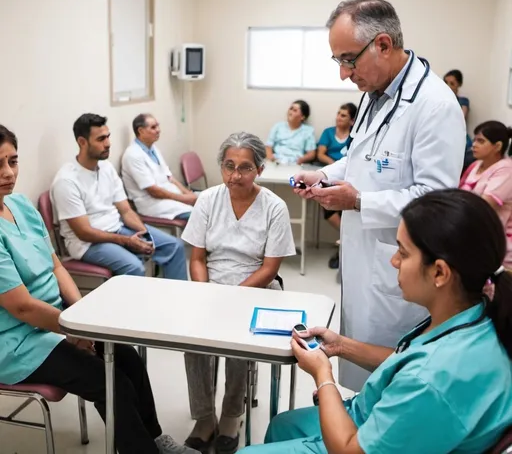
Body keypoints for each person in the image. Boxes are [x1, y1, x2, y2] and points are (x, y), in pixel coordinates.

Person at [241, 189, 512, 454]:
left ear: (440, 272)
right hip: (378, 415)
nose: (393, 261)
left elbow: (350, 450)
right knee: (282, 426)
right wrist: (342, 347)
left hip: (359, 441)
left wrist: (323, 375)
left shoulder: (432, 380)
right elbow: (404, 359)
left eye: (403, 253)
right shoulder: (472, 314)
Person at [293, 0, 466, 391]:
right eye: (337, 61)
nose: (343, 74)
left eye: (348, 60)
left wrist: (357, 201)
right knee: (360, 382)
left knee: (391, 387)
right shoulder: (375, 94)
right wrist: (322, 175)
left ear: (383, 45)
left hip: (396, 273)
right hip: (362, 261)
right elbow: (362, 159)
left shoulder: (434, 105)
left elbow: (435, 201)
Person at [0, 125, 199, 454]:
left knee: (127, 359)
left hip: (58, 322)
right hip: (17, 341)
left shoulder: (20, 206)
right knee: (110, 383)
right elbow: (21, 308)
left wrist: (83, 320)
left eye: (13, 161)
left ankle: (153, 439)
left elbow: (56, 266)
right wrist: (73, 328)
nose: (8, 173)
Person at [181, 132, 296, 454]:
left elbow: (269, 268)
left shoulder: (274, 206)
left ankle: (232, 415)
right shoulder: (208, 199)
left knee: (237, 343)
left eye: (245, 168)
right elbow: (198, 258)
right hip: (211, 285)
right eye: (229, 166)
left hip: (255, 285)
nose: (235, 175)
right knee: (193, 342)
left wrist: (232, 298)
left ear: (259, 169)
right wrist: (204, 294)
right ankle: (205, 418)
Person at [51, 114, 187, 280]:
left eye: (108, 137)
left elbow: (126, 211)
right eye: (101, 139)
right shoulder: (66, 181)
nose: (108, 143)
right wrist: (126, 240)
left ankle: (176, 300)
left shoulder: (106, 168)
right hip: (88, 244)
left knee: (175, 246)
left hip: (117, 228)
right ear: (82, 142)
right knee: (134, 267)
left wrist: (143, 234)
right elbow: (84, 232)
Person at [122, 113, 196, 222]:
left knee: (210, 204)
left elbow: (170, 177)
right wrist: (184, 199)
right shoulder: (132, 155)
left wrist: (188, 194)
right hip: (153, 204)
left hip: (170, 196)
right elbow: (153, 191)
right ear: (141, 131)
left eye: (158, 126)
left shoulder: (153, 149)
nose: (158, 130)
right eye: (153, 127)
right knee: (201, 216)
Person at [460, 121, 512, 269]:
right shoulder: (475, 166)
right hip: (473, 239)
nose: (474, 144)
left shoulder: (506, 171)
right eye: (475, 139)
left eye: (481, 141)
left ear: (497, 146)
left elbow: (483, 206)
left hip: (498, 249)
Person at [317, 103, 357, 269]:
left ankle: (346, 244)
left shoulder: (355, 135)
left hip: (351, 177)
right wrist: (334, 167)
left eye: (343, 115)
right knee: (328, 205)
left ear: (352, 120)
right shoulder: (328, 132)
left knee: (349, 205)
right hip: (331, 174)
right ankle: (347, 237)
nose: (338, 117)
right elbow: (320, 154)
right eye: (338, 114)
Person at [265, 100, 316, 165]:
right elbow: (268, 146)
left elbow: (311, 154)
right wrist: (271, 158)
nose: (290, 112)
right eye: (290, 109)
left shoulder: (308, 131)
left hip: (295, 162)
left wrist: (300, 160)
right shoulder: (278, 126)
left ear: (302, 117)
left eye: (295, 110)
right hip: (276, 160)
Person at [444, 69, 474, 172]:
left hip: (459, 139)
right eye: (445, 82)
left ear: (459, 85)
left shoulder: (463, 101)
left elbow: (460, 118)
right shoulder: (438, 99)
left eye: (452, 83)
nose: (447, 86)